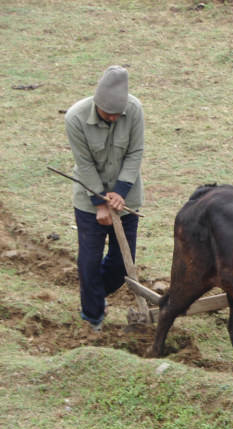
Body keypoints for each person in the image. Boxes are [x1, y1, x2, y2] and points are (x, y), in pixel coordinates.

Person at [64, 65, 144, 331]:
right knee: (88, 261)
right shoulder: (75, 118)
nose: (112, 119)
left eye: (116, 115)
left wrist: (119, 194)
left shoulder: (133, 111)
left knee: (122, 264)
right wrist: (100, 203)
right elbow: (84, 164)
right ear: (97, 103)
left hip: (126, 198)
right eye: (107, 114)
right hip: (89, 200)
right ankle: (93, 317)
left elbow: (135, 153)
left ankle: (95, 293)